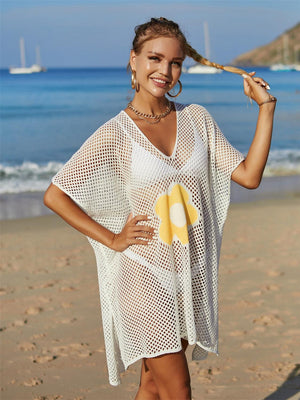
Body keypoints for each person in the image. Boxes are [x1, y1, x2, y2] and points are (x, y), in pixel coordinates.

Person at [44, 17, 276, 400]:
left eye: (175, 62)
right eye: (154, 58)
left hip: (190, 277)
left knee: (153, 387)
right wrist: (112, 239)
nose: (165, 71)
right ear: (133, 61)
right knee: (178, 390)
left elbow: (249, 175)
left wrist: (265, 108)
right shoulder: (116, 133)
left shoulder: (197, 119)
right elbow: (56, 194)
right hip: (144, 278)